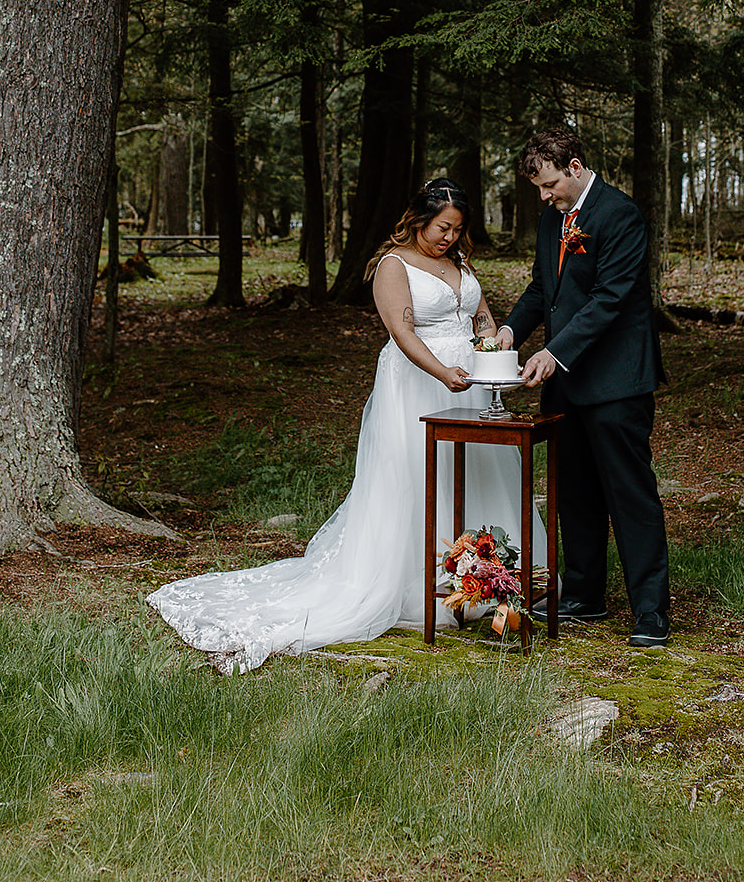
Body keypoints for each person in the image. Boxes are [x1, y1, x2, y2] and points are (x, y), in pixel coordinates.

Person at [147, 179, 544, 672]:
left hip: (470, 381)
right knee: (422, 474)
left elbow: (480, 316)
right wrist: (443, 373)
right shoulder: (392, 266)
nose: (448, 238)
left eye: (457, 230)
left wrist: (491, 347)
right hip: (420, 378)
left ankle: (482, 581)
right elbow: (401, 331)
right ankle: (418, 586)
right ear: (419, 218)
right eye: (442, 227)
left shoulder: (460, 263)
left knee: (476, 471)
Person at [496, 127, 670, 648]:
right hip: (567, 387)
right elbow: (541, 289)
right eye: (538, 189)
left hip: (617, 382)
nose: (544, 198)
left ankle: (651, 611)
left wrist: (555, 352)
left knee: (629, 495)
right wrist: (511, 331)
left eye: (549, 185)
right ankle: (583, 592)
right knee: (573, 492)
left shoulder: (620, 215)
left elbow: (610, 299)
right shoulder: (554, 219)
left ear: (574, 167)